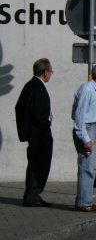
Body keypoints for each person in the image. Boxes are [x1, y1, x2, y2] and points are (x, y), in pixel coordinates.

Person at [14, 58, 55, 207]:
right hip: (40, 135)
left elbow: (20, 108)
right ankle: (32, 196)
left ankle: (33, 195)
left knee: (35, 164)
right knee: (38, 165)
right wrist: (45, 124)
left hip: (35, 134)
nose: (51, 74)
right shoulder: (37, 87)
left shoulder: (31, 85)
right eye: (51, 71)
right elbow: (37, 112)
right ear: (45, 72)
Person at [71, 63, 96, 212]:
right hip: (85, 130)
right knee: (87, 168)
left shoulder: (95, 89)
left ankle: (85, 201)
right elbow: (79, 117)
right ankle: (83, 203)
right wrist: (86, 138)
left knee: (91, 168)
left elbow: (92, 117)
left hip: (91, 128)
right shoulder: (87, 90)